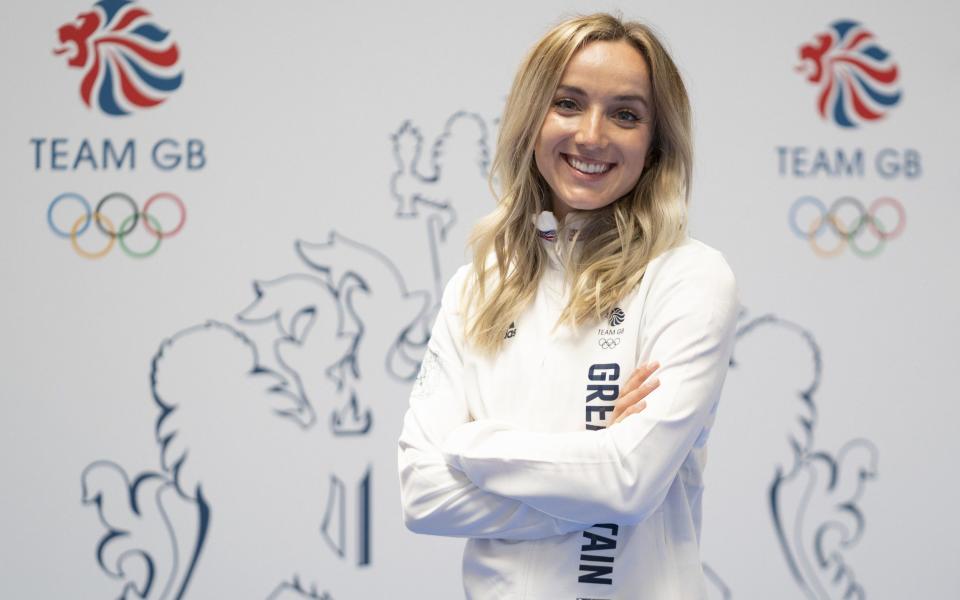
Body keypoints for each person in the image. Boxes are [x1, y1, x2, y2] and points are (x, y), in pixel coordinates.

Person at [397, 12, 738, 599]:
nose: (591, 135)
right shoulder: (476, 288)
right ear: (532, 118)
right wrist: (590, 481)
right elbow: (423, 494)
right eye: (568, 103)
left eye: (626, 115)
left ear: (656, 144)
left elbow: (629, 482)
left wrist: (474, 445)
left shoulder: (689, 278)